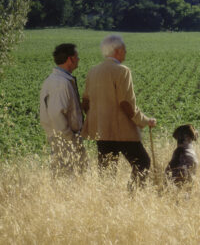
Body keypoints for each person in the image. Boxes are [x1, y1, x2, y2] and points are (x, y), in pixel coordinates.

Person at [81, 34, 157, 186]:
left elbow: (85, 102)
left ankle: (108, 203)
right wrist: (144, 121)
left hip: (102, 132)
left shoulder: (93, 71)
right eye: (124, 49)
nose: (126, 52)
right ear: (117, 50)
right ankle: (132, 198)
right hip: (122, 132)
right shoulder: (122, 71)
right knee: (142, 163)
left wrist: (98, 120)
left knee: (106, 173)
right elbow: (125, 103)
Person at [39, 43, 86, 175]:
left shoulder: (52, 80)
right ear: (70, 59)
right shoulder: (61, 83)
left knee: (66, 178)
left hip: (59, 138)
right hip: (65, 140)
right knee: (72, 178)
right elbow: (55, 114)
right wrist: (69, 136)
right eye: (77, 57)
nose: (78, 60)